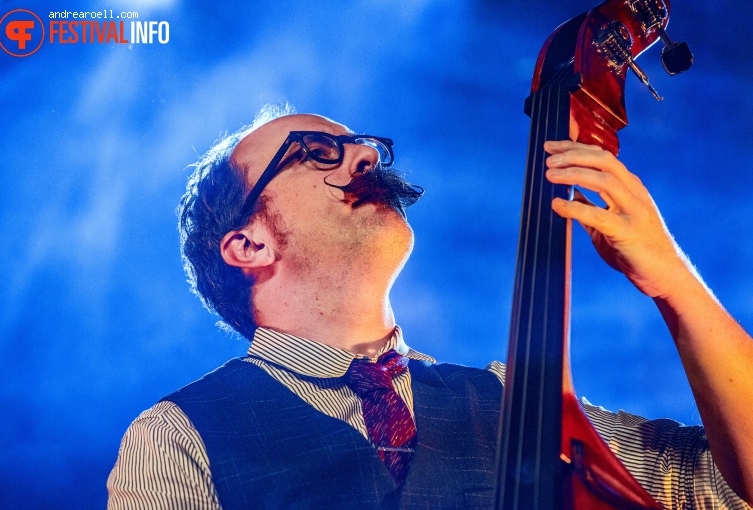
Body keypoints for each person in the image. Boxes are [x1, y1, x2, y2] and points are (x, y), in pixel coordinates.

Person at [107, 105, 753, 509]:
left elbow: (733, 486)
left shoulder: (516, 404)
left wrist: (673, 282)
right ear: (247, 243)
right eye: (314, 153)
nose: (364, 155)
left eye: (360, 145)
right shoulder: (177, 439)